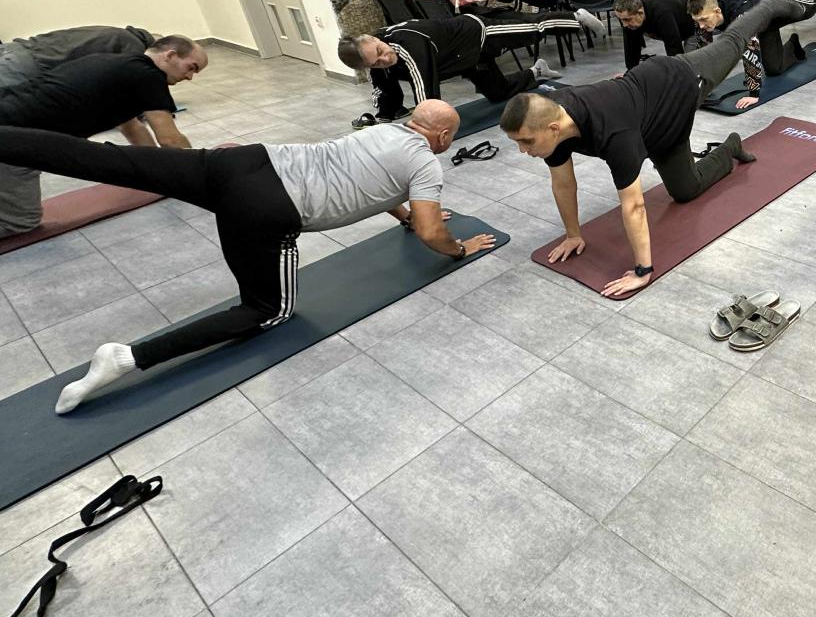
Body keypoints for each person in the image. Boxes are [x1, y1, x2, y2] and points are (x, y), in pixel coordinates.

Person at [0, 100, 497, 412]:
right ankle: (126, 358)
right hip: (266, 208)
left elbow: (380, 184)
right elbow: (433, 232)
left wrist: (404, 214)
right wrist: (458, 249)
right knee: (267, 310)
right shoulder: (425, 164)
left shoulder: (383, 131)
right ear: (443, 137)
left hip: (239, 162)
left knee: (109, 161)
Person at [500, 0, 816, 298]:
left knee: (734, 40)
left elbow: (634, 206)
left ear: (554, 128)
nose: (523, 150)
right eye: (518, 142)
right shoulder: (551, 121)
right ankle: (731, 146)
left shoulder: (612, 133)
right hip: (656, 127)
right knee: (686, 191)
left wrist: (643, 271)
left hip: (682, 79)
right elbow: (563, 183)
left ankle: (770, 6)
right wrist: (573, 234)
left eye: (526, 142)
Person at [0, 36, 206, 237]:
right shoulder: (149, 77)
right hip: (12, 139)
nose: (189, 77)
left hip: (11, 121)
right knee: (21, 222)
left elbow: (131, 127)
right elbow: (170, 140)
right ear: (170, 55)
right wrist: (199, 175)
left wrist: (156, 171)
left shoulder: (117, 64)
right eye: (191, 67)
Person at [338, 9, 578, 121]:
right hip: (462, 60)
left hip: (475, 34)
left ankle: (575, 17)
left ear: (374, 39)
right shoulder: (375, 59)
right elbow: (383, 86)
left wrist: (427, 125)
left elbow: (425, 89)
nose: (385, 59)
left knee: (532, 29)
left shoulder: (408, 44)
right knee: (498, 93)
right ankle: (537, 71)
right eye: (376, 62)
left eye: (381, 52)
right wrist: (385, 115)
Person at [685, 0, 816, 110]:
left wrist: (754, 94)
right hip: (763, 26)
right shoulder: (703, 19)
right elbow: (704, 55)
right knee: (774, 69)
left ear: (717, 11)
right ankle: (794, 47)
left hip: (775, 5)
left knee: (808, 8)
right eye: (697, 21)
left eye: (704, 20)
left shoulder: (740, 14)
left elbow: (750, 51)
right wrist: (700, 88)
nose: (701, 25)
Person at [0, 24, 155, 91]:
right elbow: (127, 84)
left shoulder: (111, 31)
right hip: (25, 65)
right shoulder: (134, 47)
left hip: (14, 49)